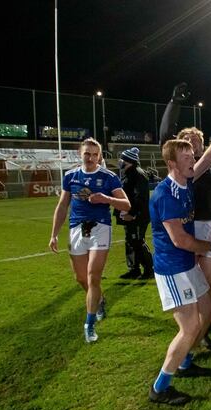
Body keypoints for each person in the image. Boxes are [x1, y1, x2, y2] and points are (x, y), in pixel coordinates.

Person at [146, 101, 211, 405]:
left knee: (204, 311)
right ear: (172, 163)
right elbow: (180, 241)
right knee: (189, 329)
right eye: (187, 157)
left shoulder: (186, 180)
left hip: (188, 264)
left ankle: (185, 361)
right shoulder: (165, 194)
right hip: (173, 268)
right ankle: (160, 387)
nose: (194, 159)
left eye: (192, 155)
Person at [49, 138, 131, 343]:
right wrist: (54, 234)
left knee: (93, 277)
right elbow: (62, 207)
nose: (91, 158)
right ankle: (100, 300)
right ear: (80, 153)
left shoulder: (109, 177)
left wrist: (106, 199)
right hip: (77, 229)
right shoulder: (70, 176)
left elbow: (126, 205)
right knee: (81, 279)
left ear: (100, 156)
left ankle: (89, 324)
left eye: (95, 154)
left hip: (100, 229)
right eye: (87, 153)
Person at [114, 146, 154, 279]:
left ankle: (149, 269)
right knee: (130, 241)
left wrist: (132, 213)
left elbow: (140, 198)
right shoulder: (129, 173)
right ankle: (134, 269)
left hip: (137, 216)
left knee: (137, 241)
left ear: (129, 161)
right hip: (129, 215)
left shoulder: (137, 174)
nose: (120, 161)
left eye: (123, 159)